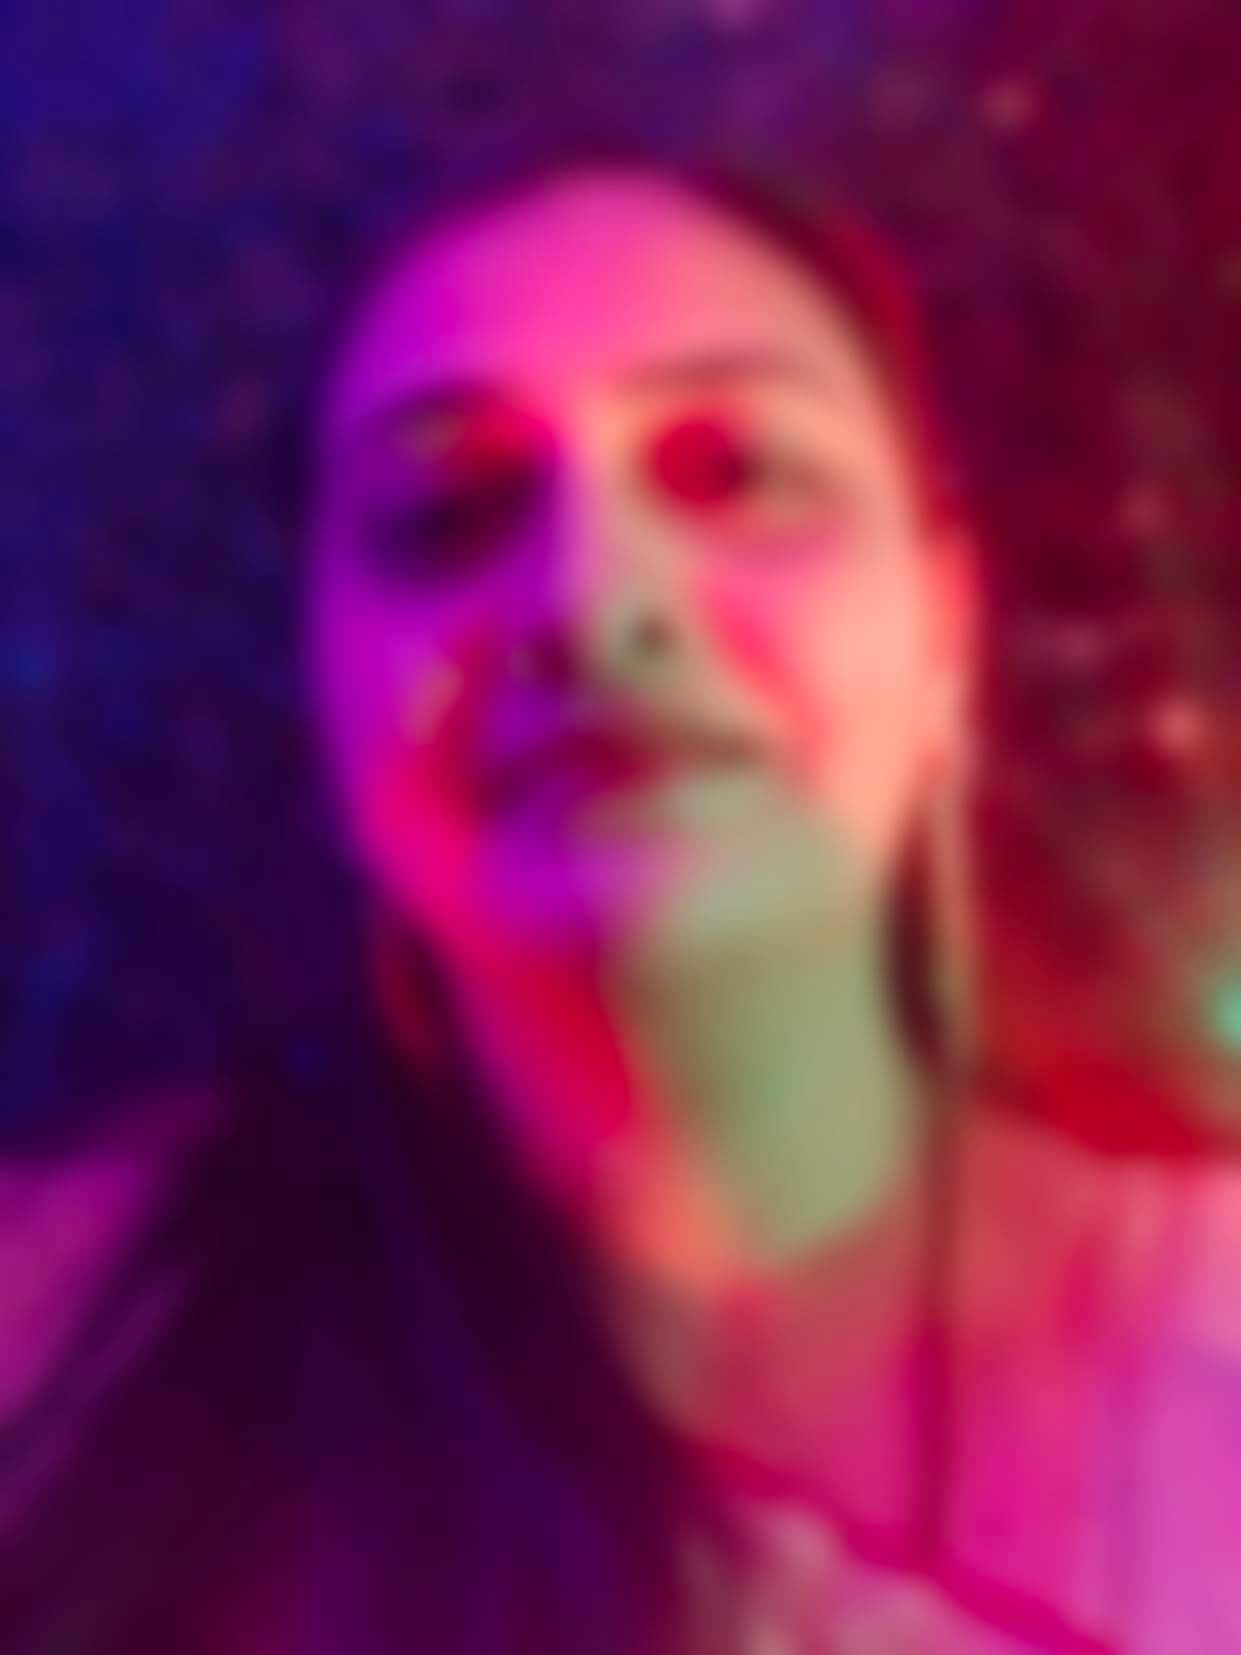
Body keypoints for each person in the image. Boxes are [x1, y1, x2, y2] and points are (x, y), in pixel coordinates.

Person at [3, 126, 1239, 1654]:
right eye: (449, 508)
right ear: (319, 674)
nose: (592, 598)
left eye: (734, 471)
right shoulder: (64, 1352)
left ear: (942, 626)